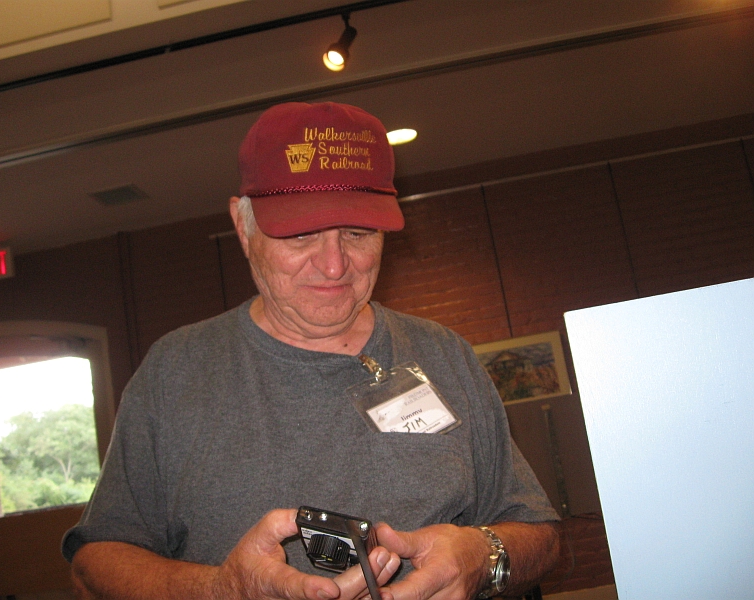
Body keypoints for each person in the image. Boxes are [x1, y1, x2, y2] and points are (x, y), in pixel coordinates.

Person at [63, 102, 560, 600]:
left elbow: (540, 535)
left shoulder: (445, 354)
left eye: (358, 233)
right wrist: (220, 589)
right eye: (301, 234)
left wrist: (484, 557)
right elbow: (93, 567)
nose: (334, 265)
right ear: (242, 226)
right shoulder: (174, 372)